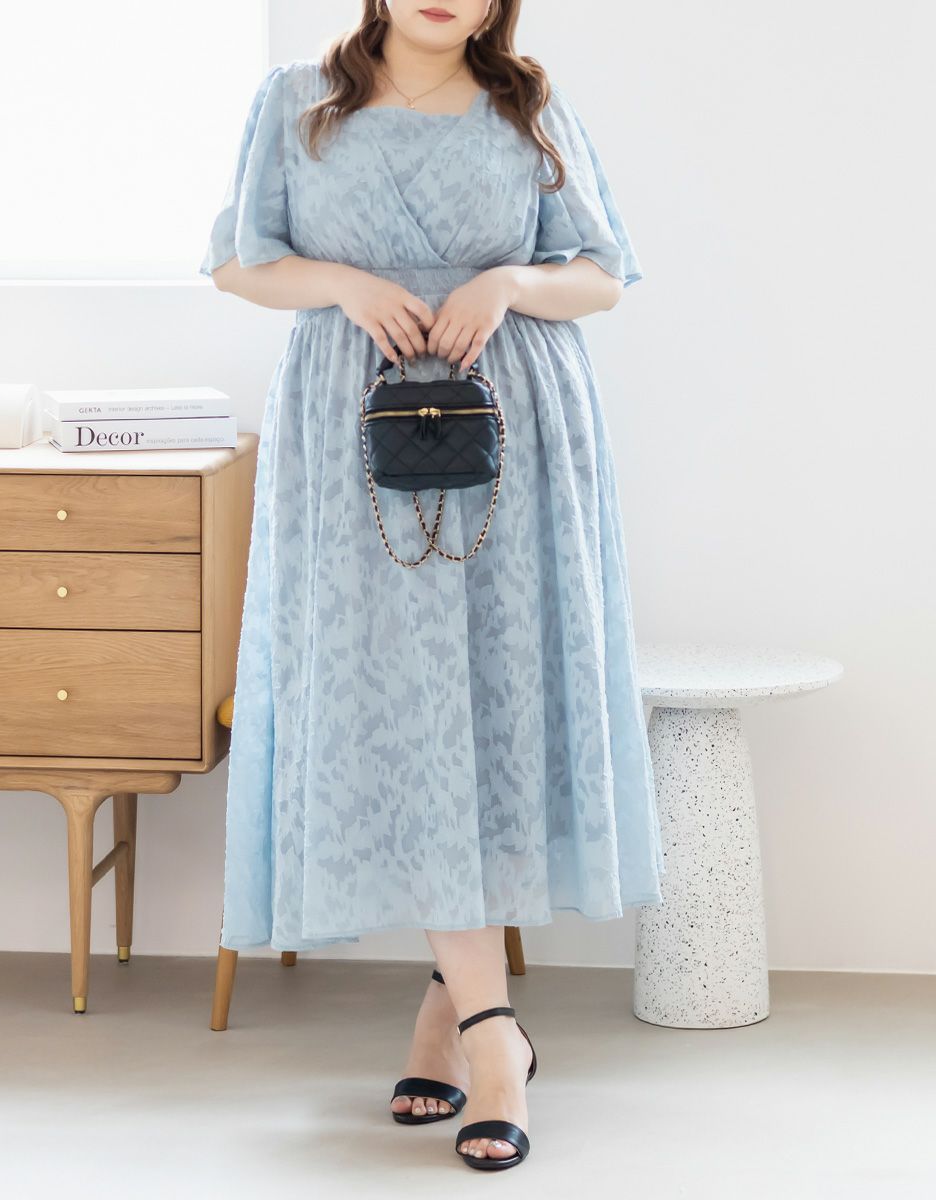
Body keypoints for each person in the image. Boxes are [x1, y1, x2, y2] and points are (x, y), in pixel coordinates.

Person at [199, 0, 664, 1173]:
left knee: (490, 714)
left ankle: (453, 1020)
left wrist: (506, 280)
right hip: (349, 429)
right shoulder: (296, 100)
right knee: (395, 712)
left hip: (512, 429)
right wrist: (343, 284)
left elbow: (603, 275)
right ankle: (494, 1032)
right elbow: (237, 261)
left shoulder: (527, 102)